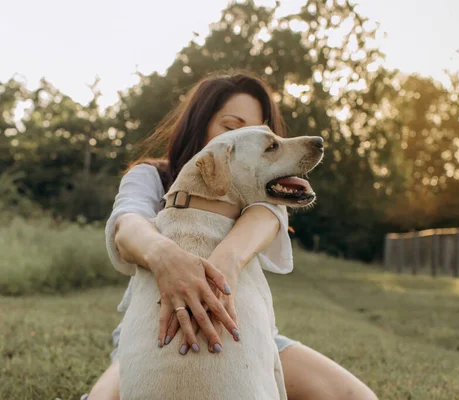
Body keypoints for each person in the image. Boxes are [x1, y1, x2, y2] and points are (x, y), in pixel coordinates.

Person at [88, 72, 377, 400]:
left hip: (239, 328)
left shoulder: (260, 191)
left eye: (255, 132)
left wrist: (225, 262)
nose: (244, 138)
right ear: (200, 125)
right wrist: (165, 257)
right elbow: (127, 225)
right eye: (231, 126)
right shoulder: (151, 175)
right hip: (156, 325)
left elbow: (263, 219)